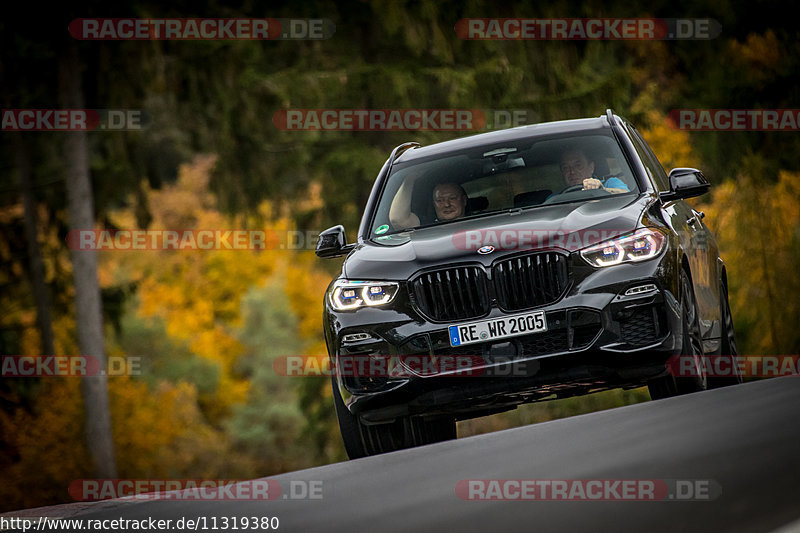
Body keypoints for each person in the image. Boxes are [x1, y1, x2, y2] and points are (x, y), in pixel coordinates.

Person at [389, 171, 467, 230]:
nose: (446, 204)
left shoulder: (478, 220)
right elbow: (398, 219)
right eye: (440, 201)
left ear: (464, 200)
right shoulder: (426, 226)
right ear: (434, 204)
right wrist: (410, 178)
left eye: (452, 198)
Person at [558, 148, 629, 194]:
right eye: (566, 167)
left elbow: (628, 195)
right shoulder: (555, 198)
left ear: (591, 168)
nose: (572, 172)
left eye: (578, 165)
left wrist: (602, 190)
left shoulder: (610, 183)